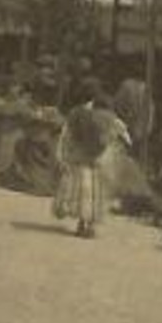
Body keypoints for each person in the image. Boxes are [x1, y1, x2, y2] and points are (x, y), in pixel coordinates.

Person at [53, 81, 129, 239]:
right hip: (101, 159)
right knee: (97, 193)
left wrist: (63, 155)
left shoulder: (75, 113)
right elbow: (127, 139)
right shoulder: (110, 117)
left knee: (83, 192)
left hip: (80, 158)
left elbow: (66, 136)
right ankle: (91, 226)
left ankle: (81, 224)